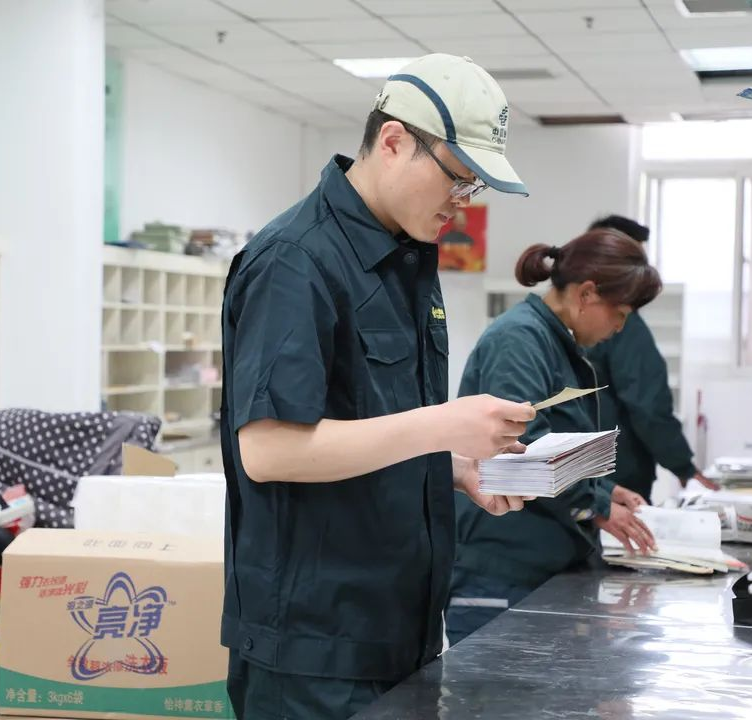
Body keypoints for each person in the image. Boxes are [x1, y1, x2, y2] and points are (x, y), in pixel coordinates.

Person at [220, 54, 537, 720]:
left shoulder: (405, 258)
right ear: (393, 141)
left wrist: (452, 468)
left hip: (399, 634)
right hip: (315, 656)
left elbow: (368, 424)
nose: (463, 201)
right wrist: (442, 425)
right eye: (458, 177)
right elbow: (269, 451)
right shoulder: (296, 261)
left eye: (475, 186)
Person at [447, 228, 661, 644]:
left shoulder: (556, 342)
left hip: (539, 560)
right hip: (502, 563)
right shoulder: (518, 340)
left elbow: (560, 441)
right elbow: (524, 448)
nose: (620, 327)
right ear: (587, 294)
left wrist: (605, 488)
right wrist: (598, 505)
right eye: (620, 313)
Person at [585, 215, 717, 501]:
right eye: (633, 260)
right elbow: (647, 404)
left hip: (585, 472)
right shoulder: (622, 325)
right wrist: (684, 467)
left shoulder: (574, 320)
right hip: (616, 474)